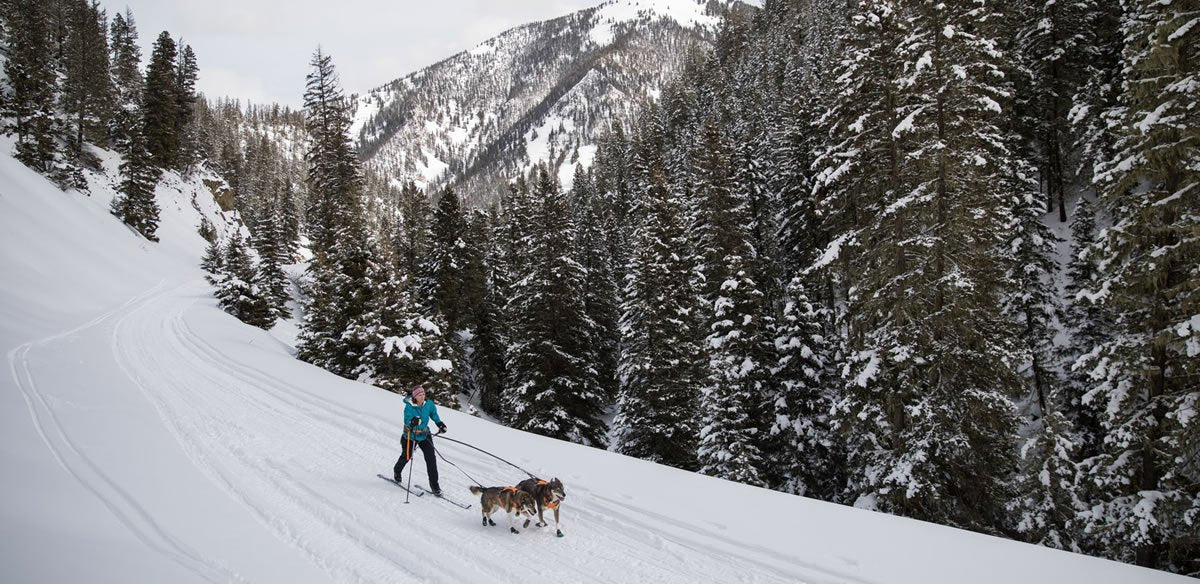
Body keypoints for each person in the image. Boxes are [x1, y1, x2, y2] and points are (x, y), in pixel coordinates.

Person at [393, 386, 447, 495]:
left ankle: (435, 486)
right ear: (414, 397)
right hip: (410, 436)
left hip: (424, 435)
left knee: (431, 459)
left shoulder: (428, 404)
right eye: (419, 395)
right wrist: (412, 422)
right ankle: (397, 471)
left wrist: (440, 424)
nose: (422, 397)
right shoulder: (409, 407)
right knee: (406, 456)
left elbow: (433, 414)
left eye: (423, 394)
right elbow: (407, 420)